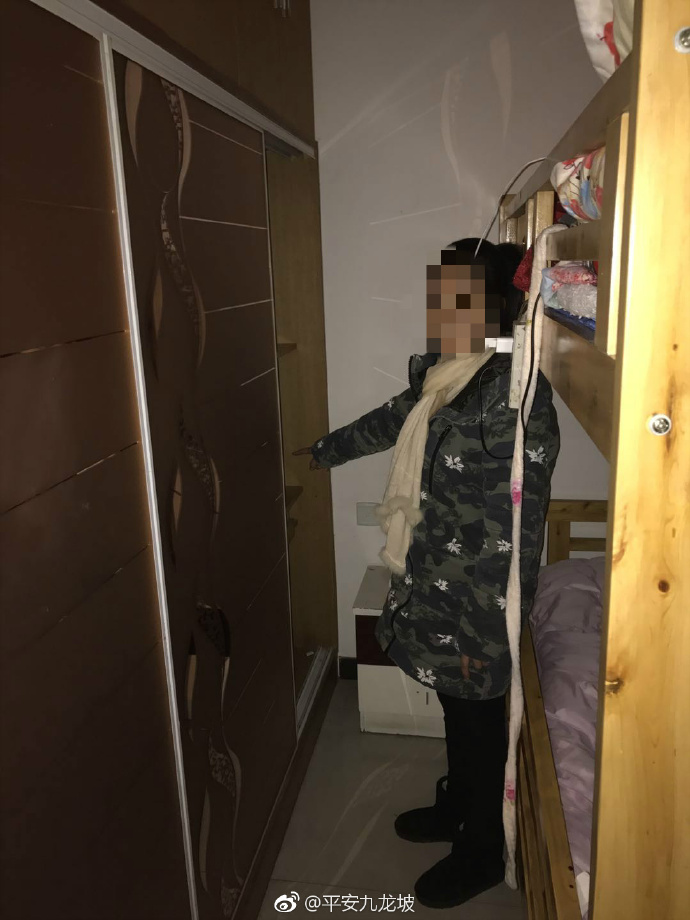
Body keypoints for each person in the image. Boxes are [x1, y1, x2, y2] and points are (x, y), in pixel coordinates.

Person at [294, 238, 559, 909]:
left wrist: (488, 628)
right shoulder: (448, 375)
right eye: (440, 298)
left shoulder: (515, 394)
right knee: (454, 705)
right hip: (437, 575)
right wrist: (323, 452)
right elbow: (393, 420)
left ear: (497, 306)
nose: (442, 313)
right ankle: (457, 806)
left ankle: (482, 850)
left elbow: (518, 521)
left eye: (458, 300)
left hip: (482, 596)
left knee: (479, 719)